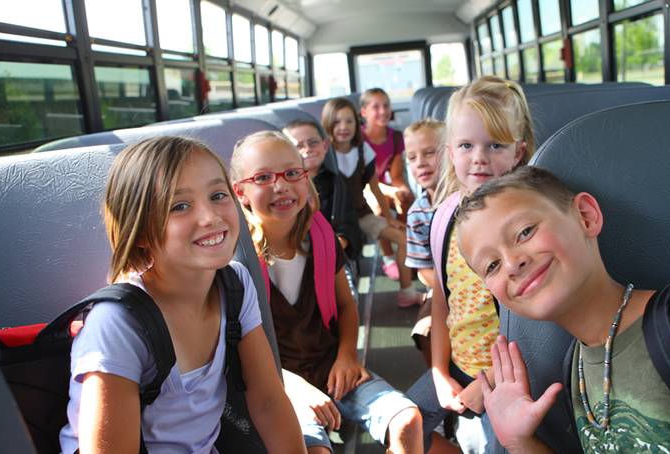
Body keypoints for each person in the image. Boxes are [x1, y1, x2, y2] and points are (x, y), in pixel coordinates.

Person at [457, 166, 670, 453]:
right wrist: (519, 441)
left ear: (585, 217)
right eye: (491, 266)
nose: (512, 264)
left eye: (525, 232)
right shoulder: (576, 375)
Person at [58, 136, 306, 454]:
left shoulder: (234, 284)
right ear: (142, 231)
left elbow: (269, 401)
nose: (210, 216)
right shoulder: (117, 324)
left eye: (218, 195)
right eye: (180, 206)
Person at [230, 131, 424, 454]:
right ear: (241, 191)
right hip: (279, 386)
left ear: (306, 179)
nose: (281, 185)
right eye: (263, 177)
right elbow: (242, 354)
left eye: (292, 173)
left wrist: (348, 354)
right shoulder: (237, 263)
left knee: (408, 422)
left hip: (333, 367)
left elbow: (346, 306)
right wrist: (297, 388)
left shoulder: (321, 238)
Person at [406, 75, 536, 454]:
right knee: (403, 424)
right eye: (467, 145)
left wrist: (491, 380)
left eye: (495, 145)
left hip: (509, 374)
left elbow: (543, 323)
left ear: (518, 153)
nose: (479, 157)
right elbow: (443, 301)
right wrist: (438, 370)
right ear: (451, 152)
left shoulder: (527, 225)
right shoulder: (445, 215)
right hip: (457, 361)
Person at [321, 97, 422, 308]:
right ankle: (339, 304)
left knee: (403, 238)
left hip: (362, 215)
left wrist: (387, 218)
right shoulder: (324, 154)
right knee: (334, 251)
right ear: (329, 124)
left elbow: (375, 187)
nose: (344, 127)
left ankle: (407, 292)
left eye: (349, 121)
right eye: (337, 122)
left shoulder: (362, 151)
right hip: (336, 221)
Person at [284, 117, 363, 261]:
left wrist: (322, 256)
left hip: (327, 256)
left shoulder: (337, 186)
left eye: (313, 142)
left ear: (325, 146)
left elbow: (346, 231)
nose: (308, 149)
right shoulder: (282, 188)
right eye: (299, 146)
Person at [402, 118, 446, 368]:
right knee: (424, 330)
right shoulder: (418, 213)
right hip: (441, 287)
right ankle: (438, 375)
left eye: (430, 153)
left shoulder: (467, 198)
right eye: (412, 158)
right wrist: (448, 290)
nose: (420, 163)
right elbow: (423, 270)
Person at [360, 88, 415, 280]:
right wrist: (391, 192)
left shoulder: (396, 137)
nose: (383, 111)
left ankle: (407, 251)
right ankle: (389, 257)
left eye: (386, 106)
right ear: (363, 112)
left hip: (388, 184)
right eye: (376, 107)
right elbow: (366, 183)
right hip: (366, 189)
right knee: (378, 202)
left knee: (407, 199)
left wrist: (402, 190)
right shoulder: (358, 139)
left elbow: (397, 174)